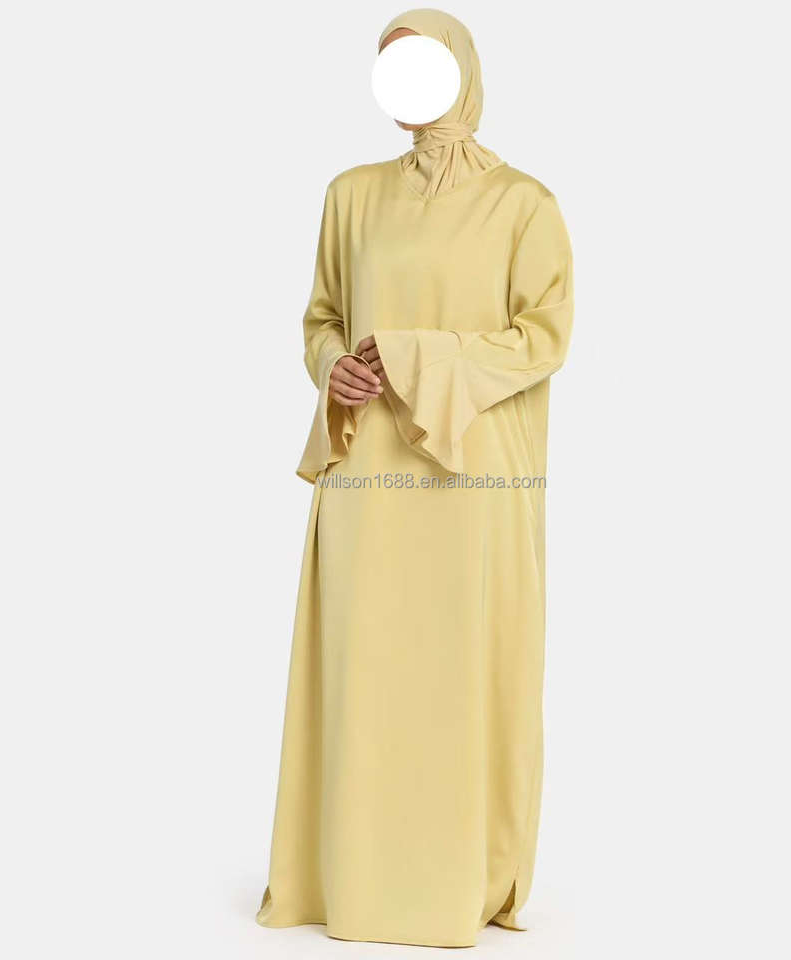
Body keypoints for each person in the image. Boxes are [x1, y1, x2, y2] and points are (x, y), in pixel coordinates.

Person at [256, 8, 574, 948]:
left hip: (473, 479)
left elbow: (544, 337)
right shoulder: (350, 195)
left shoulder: (524, 203)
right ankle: (350, 876)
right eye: (390, 65)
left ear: (463, 69)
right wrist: (335, 369)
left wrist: (415, 358)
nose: (406, 84)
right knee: (366, 665)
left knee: (462, 662)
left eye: (424, 63)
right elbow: (322, 318)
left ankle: (457, 879)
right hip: (366, 474)